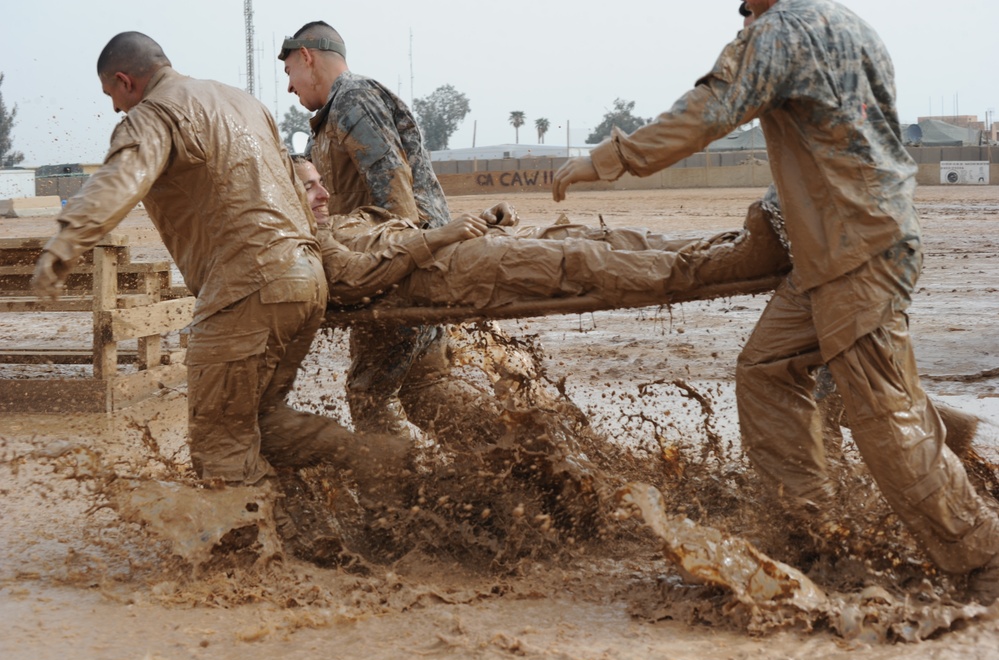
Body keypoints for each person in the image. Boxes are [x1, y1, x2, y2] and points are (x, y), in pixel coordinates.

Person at [551, 0, 999, 602]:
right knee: (766, 370)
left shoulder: (777, 32)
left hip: (852, 250)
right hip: (849, 240)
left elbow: (709, 110)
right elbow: (840, 140)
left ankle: (982, 558)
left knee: (883, 416)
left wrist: (604, 162)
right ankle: (815, 537)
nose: (739, 12)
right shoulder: (848, 25)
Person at [31, 32, 406, 489]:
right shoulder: (243, 102)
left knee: (219, 444)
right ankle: (382, 461)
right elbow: (293, 188)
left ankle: (248, 556)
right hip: (304, 279)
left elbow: (119, 179)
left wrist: (65, 242)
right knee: (262, 423)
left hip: (245, 290)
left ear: (125, 81)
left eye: (112, 96)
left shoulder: (154, 114)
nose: (115, 110)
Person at [291, 156, 789, 310]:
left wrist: (486, 217)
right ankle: (729, 266)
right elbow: (356, 282)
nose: (323, 194)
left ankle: (733, 243)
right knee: (583, 261)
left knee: (603, 238)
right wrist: (442, 238)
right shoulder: (314, 243)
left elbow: (412, 233)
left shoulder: (344, 220)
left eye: (320, 184)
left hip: (476, 248)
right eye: (309, 188)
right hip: (455, 273)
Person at [279, 20, 451, 445]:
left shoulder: (352, 99)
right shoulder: (335, 113)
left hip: (401, 263)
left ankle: (404, 488)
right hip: (396, 260)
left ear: (306, 57)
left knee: (370, 394)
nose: (289, 88)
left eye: (288, 74)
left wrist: (397, 270)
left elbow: (393, 185)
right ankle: (504, 465)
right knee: (421, 388)